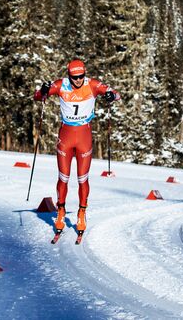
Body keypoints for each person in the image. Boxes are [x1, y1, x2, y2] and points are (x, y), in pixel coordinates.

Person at [34, 59, 120, 242]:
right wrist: (42, 91)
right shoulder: (61, 85)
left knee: (82, 178)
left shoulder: (93, 85)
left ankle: (82, 213)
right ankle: (61, 211)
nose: (78, 80)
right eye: (75, 77)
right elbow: (37, 96)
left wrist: (111, 96)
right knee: (63, 177)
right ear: (69, 75)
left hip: (84, 137)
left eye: (81, 76)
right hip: (65, 136)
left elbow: (116, 94)